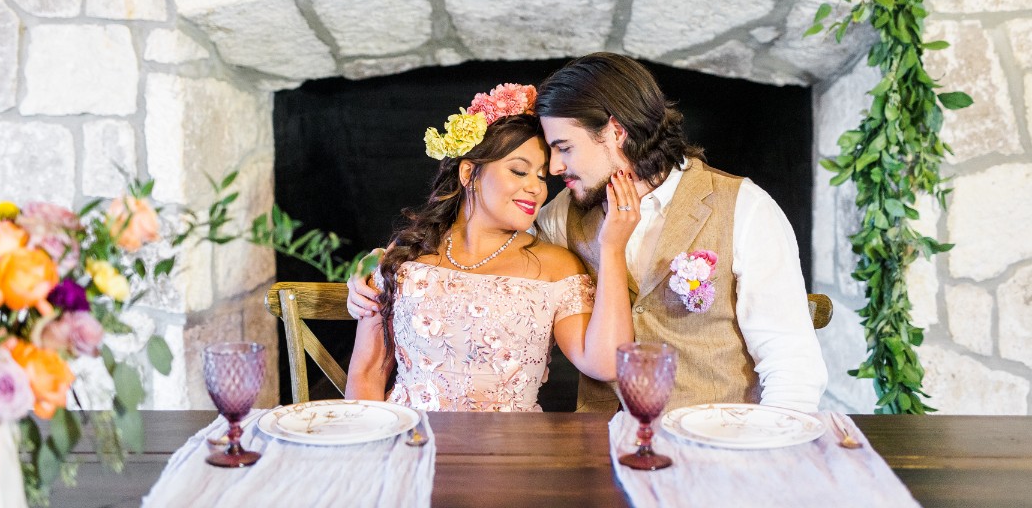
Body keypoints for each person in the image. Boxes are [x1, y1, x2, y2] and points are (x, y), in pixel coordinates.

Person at [350, 54, 827, 415]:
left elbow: (792, 362)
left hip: (710, 448)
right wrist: (376, 268)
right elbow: (477, 254)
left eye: (563, 148)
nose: (554, 171)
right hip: (596, 452)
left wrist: (767, 459)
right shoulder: (562, 215)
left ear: (615, 132)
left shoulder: (744, 208)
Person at [345, 83, 636, 412]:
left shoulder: (556, 267)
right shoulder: (407, 252)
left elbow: (607, 363)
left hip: (507, 451)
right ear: (469, 171)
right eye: (519, 170)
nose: (535, 189)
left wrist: (612, 248)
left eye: (542, 177)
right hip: (411, 443)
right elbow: (367, 373)